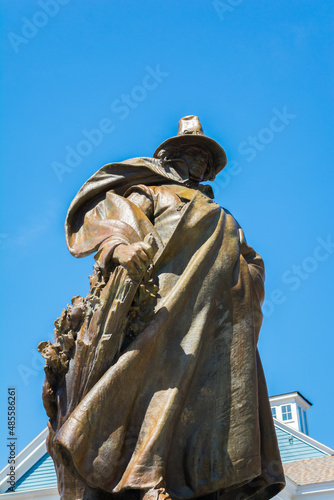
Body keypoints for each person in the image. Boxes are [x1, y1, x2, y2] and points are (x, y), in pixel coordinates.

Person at [43, 116, 285, 500]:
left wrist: (244, 278)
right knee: (156, 385)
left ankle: (205, 478)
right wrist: (120, 247)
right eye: (194, 154)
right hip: (164, 309)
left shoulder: (224, 217)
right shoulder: (154, 194)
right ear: (171, 158)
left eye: (206, 160)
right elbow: (111, 221)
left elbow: (251, 261)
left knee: (212, 401)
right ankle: (143, 476)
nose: (201, 164)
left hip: (216, 321)